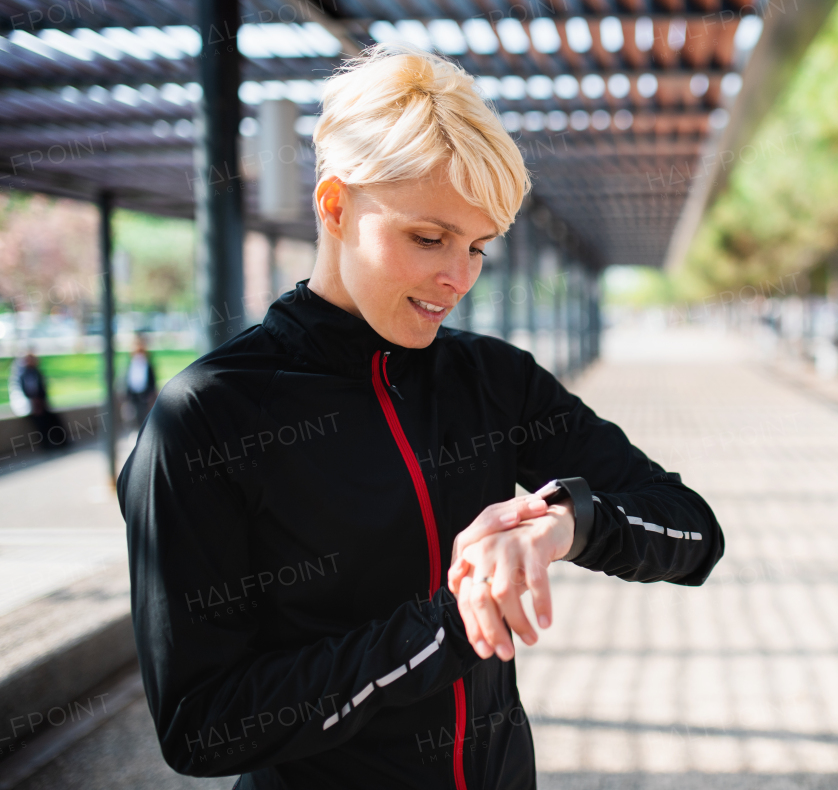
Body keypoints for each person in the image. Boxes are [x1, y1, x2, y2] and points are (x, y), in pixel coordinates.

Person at [117, 44, 723, 790]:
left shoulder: (493, 380)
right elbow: (201, 725)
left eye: (477, 248)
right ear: (335, 205)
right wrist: (449, 627)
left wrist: (565, 523)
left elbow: (694, 532)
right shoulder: (206, 418)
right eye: (428, 238)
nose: (457, 277)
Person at [7, 348, 67, 452]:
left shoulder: (36, 372)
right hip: (29, 406)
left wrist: (41, 402)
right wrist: (34, 403)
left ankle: (62, 442)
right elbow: (21, 391)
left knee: (54, 419)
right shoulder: (21, 374)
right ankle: (46, 445)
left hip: (39, 404)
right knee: (41, 422)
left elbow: (42, 390)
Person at [124, 333, 158, 430]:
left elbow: (152, 379)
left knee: (144, 416)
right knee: (133, 416)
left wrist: (151, 393)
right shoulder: (131, 364)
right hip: (133, 395)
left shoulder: (147, 364)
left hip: (144, 395)